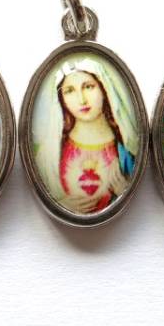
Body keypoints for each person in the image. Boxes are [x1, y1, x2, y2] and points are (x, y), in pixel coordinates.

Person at [35, 57, 139, 214]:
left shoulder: (125, 147)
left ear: (103, 88)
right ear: (61, 98)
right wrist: (62, 205)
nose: (82, 100)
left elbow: (132, 187)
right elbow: (48, 192)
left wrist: (123, 190)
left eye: (88, 87)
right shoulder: (51, 152)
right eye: (70, 91)